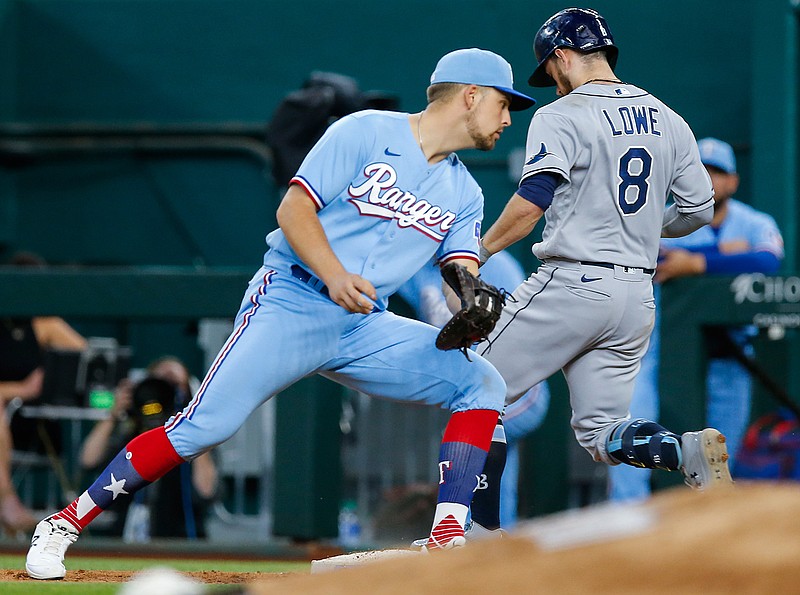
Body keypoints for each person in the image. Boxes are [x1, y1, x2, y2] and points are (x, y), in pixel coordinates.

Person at [25, 47, 536, 579]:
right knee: (203, 427)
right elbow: (294, 209)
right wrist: (335, 274)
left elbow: (457, 268)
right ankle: (64, 522)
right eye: (503, 104)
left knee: (481, 383)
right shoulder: (364, 131)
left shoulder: (466, 192)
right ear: (470, 96)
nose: (507, 119)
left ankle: (448, 535)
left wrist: (472, 296)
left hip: (364, 324)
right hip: (291, 300)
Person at [470, 7, 733, 534]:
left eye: (551, 69)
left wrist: (479, 251)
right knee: (602, 433)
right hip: (635, 295)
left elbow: (531, 201)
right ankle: (682, 453)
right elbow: (701, 209)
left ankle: (476, 536)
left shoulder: (561, 114)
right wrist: (633, 229)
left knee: (471, 386)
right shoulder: (667, 116)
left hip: (572, 282)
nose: (552, 81)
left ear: (563, 55)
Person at [608, 137, 784, 502]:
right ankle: (626, 526)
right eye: (701, 170)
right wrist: (722, 252)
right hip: (657, 354)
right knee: (632, 436)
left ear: (733, 181)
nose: (709, 179)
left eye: (718, 172)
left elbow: (768, 260)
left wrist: (696, 262)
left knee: (718, 455)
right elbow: (654, 256)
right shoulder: (661, 216)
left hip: (731, 354)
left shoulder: (753, 222)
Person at [397, 251, 550, 529]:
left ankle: (465, 530)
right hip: (471, 383)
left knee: (467, 441)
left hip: (517, 388)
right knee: (497, 468)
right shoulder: (417, 265)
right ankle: (494, 542)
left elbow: (522, 326)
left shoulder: (497, 264)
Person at [80, 356, 218, 538]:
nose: (164, 391)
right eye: (159, 383)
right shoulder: (131, 432)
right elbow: (88, 459)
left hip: (180, 537)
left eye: (173, 384)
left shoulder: (196, 439)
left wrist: (193, 423)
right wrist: (113, 414)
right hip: (126, 539)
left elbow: (206, 490)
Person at [0, 252, 87, 534]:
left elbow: (89, 358)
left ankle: (8, 505)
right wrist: (19, 389)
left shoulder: (44, 324)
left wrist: (50, 375)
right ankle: (7, 504)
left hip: (30, 422)